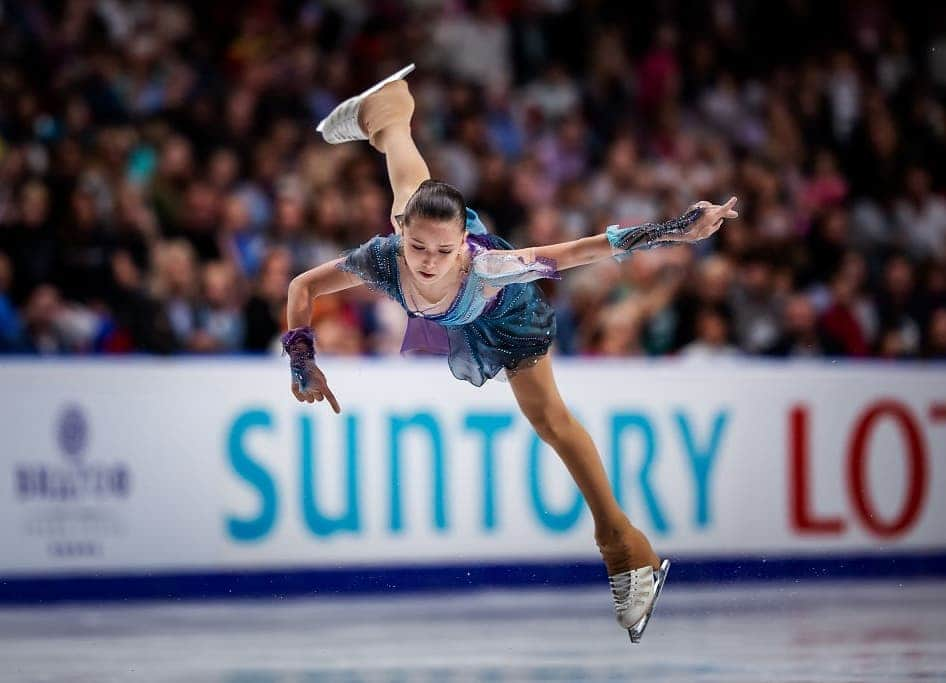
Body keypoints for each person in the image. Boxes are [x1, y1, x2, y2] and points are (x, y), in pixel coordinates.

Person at [283, 66, 738, 643]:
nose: (426, 260)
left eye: (440, 251)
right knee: (409, 195)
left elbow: (576, 250)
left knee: (550, 420)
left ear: (460, 249)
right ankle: (388, 113)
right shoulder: (388, 254)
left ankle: (622, 547)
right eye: (417, 247)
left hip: (504, 315)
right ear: (401, 238)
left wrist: (674, 230)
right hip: (440, 279)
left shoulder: (490, 266)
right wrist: (302, 359)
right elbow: (301, 287)